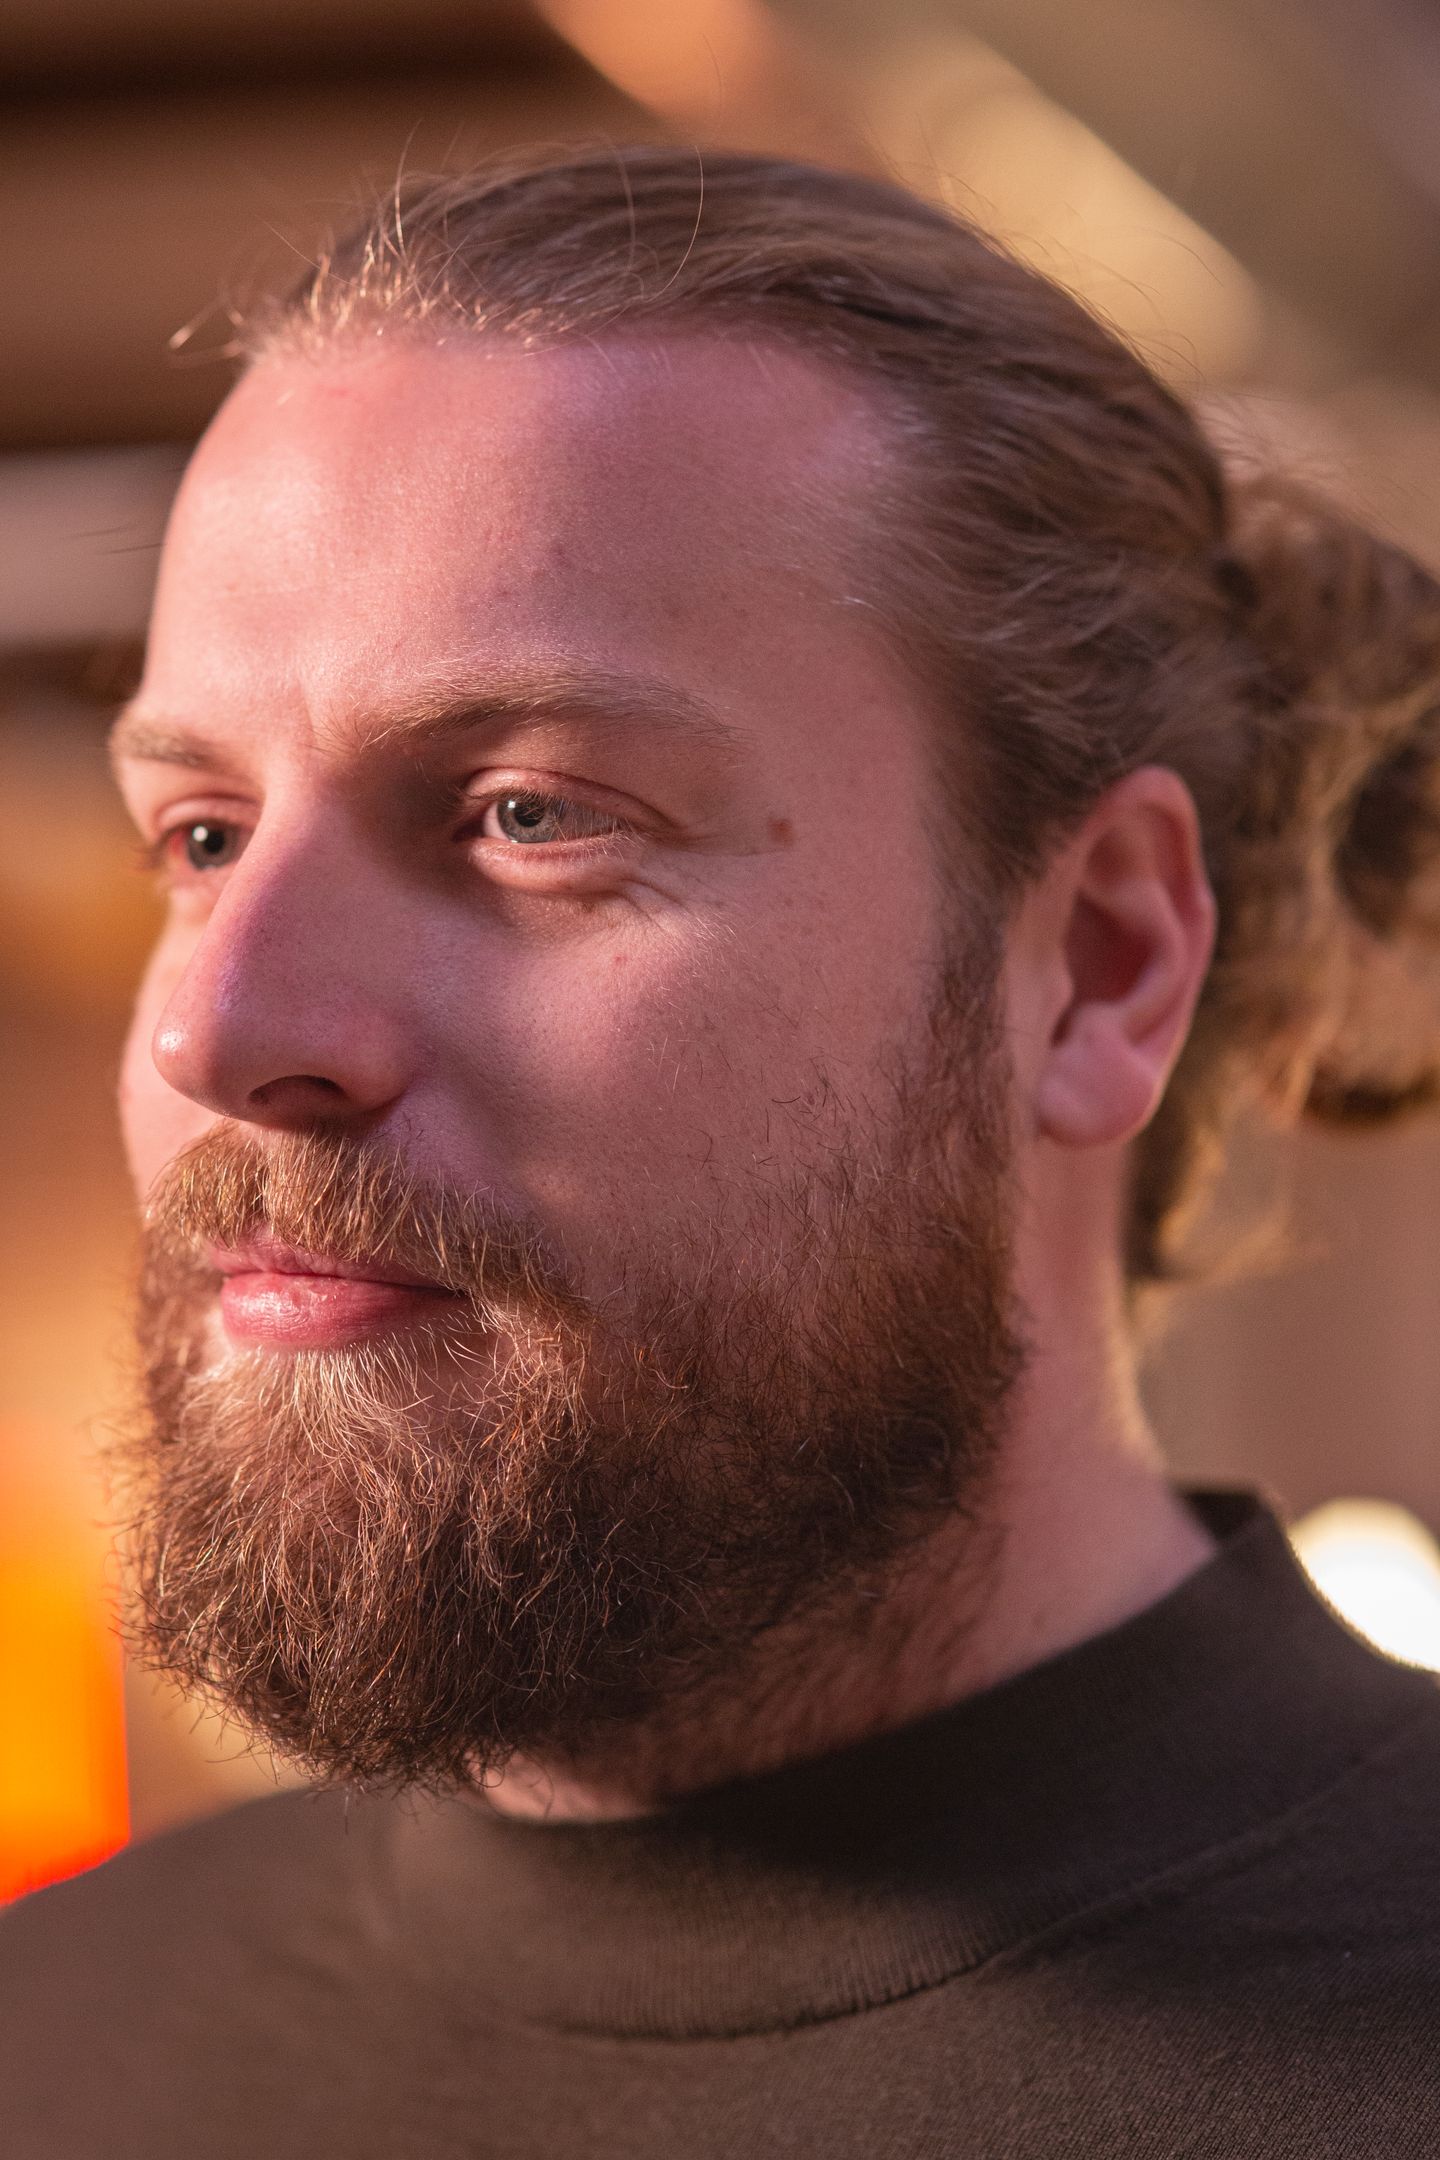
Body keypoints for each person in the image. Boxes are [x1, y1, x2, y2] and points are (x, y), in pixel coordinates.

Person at [4, 146, 1440, 2159]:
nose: (217, 1034)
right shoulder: (50, 2043)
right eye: (205, 836)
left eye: (530, 814)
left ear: (1100, 961)